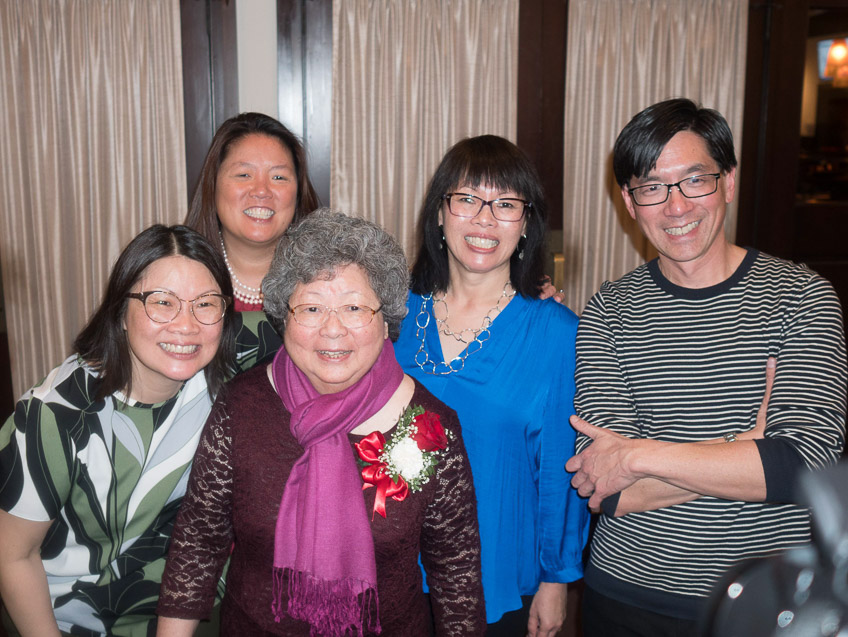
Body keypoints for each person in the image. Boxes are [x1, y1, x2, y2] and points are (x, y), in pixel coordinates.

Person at [565, 98, 847, 636]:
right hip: (626, 593)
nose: (676, 206)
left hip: (770, 599)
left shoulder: (802, 298)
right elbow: (608, 488)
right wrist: (746, 447)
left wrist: (637, 454)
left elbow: (802, 467)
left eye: (695, 180)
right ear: (630, 202)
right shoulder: (609, 310)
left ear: (728, 182)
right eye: (652, 187)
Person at [156, 210, 486, 636]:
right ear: (284, 315)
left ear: (385, 318)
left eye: (354, 307)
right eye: (311, 307)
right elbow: (199, 542)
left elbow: (455, 571)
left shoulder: (430, 426)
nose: (333, 330)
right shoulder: (240, 405)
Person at [0, 225, 281, 636]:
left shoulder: (224, 354)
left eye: (205, 303)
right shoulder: (56, 416)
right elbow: (12, 555)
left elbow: (315, 327)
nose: (186, 326)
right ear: (121, 313)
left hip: (190, 608)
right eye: (162, 302)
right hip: (69, 617)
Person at [394, 135, 591, 636]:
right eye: (467, 199)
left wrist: (556, 579)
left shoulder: (556, 332)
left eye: (505, 204)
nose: (484, 219)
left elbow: (560, 467)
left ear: (526, 223)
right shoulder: (391, 315)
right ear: (440, 214)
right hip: (393, 567)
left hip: (497, 571)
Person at [185, 112, 320, 311]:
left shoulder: (328, 281)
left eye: (278, 177)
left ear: (298, 193)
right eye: (244, 175)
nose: (261, 191)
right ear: (212, 186)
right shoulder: (177, 279)